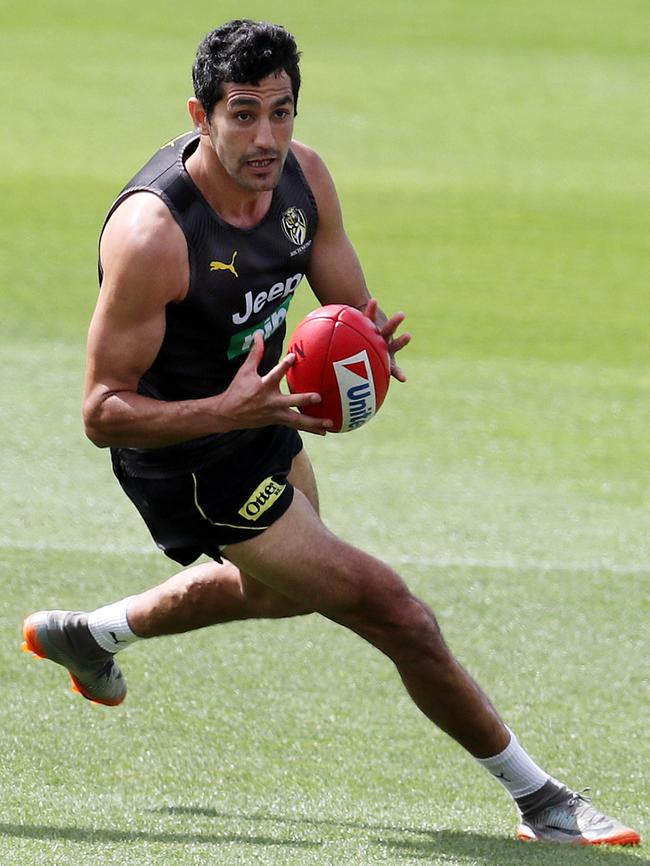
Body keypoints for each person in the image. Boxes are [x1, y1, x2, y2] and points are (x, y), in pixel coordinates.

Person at [22, 20, 639, 847]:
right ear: (200, 115)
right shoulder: (155, 238)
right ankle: (544, 803)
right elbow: (101, 412)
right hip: (191, 458)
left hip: (261, 416)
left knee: (279, 592)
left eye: (281, 112)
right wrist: (225, 413)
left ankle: (87, 635)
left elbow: (345, 304)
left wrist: (370, 342)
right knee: (394, 611)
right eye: (243, 114)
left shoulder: (303, 182)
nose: (266, 137)